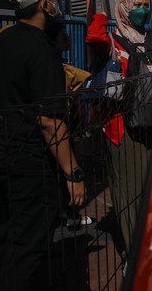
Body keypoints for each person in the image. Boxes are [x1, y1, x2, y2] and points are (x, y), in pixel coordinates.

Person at [0, 0, 86, 291]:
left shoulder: (4, 40)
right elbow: (50, 121)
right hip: (29, 163)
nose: (57, 3)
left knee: (4, 239)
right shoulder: (41, 52)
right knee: (28, 248)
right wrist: (73, 174)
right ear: (44, 4)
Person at [85, 0, 152, 264]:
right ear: (124, 7)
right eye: (137, 5)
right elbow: (93, 36)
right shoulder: (111, 40)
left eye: (146, 5)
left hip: (149, 125)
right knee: (128, 192)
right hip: (121, 129)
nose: (143, 11)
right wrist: (101, 14)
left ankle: (147, 242)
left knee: (148, 187)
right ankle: (134, 255)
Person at [45, 21, 93, 227]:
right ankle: (68, 211)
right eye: (63, 35)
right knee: (65, 167)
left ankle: (67, 211)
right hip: (58, 125)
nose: (68, 38)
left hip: (67, 123)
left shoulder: (61, 63)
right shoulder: (51, 66)